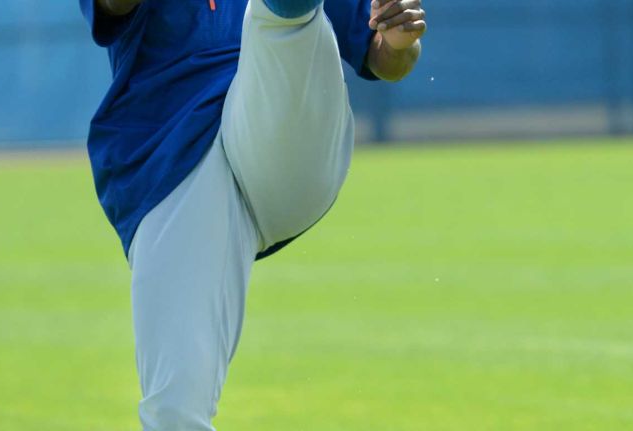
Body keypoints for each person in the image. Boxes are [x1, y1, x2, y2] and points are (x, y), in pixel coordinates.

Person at [79, 0, 425, 428]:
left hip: (283, 137)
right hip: (174, 159)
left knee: (282, 23)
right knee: (173, 410)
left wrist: (399, 42)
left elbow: (385, 58)